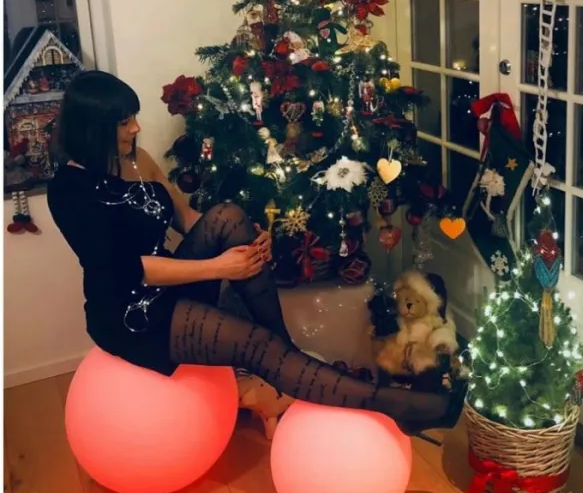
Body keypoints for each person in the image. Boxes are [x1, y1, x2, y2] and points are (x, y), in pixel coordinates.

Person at [47, 70, 466, 435]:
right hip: (130, 312)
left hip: (169, 285)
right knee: (257, 346)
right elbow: (128, 269)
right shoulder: (68, 190)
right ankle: (397, 405)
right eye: (124, 122)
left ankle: (285, 353)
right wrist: (219, 267)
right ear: (94, 129)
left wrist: (247, 241)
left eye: (133, 117)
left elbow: (187, 218)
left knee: (229, 216)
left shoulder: (137, 158)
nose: (136, 128)